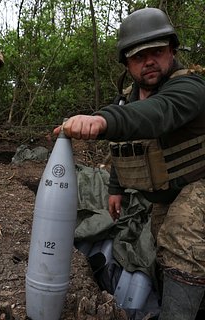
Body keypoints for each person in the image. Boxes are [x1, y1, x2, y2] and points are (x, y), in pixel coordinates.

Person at [54, 8, 205, 320]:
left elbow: (156, 114)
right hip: (166, 196)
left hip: (198, 187)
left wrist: (101, 120)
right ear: (126, 63)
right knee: (166, 254)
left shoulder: (190, 88)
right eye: (138, 56)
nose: (148, 61)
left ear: (172, 51)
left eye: (157, 52)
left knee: (182, 238)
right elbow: (127, 145)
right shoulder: (129, 98)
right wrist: (115, 188)